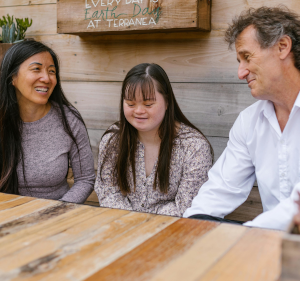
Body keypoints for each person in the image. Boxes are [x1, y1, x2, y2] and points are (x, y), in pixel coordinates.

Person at [184, 6, 300, 230]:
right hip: (270, 247)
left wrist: (247, 237)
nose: (241, 72)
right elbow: (219, 190)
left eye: (247, 57)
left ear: (283, 47)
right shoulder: (249, 122)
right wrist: (187, 230)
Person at [94, 63, 213, 216]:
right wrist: (130, 223)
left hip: (173, 231)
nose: (138, 111)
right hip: (122, 228)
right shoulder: (113, 140)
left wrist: (144, 223)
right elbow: (108, 193)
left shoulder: (194, 147)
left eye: (148, 104)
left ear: (167, 102)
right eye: (130, 103)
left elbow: (187, 207)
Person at [0, 40, 95, 203]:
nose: (46, 78)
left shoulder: (69, 119)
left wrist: (57, 211)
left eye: (52, 71)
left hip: (56, 218)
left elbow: (85, 179)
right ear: (12, 77)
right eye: (36, 69)